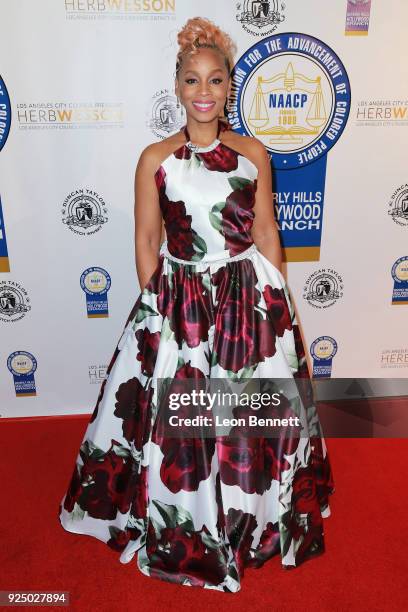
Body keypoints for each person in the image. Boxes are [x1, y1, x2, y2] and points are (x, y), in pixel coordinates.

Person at [58, 16, 335, 593]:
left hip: (246, 301)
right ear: (177, 87)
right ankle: (182, 519)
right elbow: (145, 242)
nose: (203, 92)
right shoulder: (155, 159)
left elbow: (266, 235)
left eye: (214, 80)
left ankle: (252, 518)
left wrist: (278, 307)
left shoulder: (253, 153)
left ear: (230, 85)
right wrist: (160, 309)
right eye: (192, 80)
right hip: (179, 304)